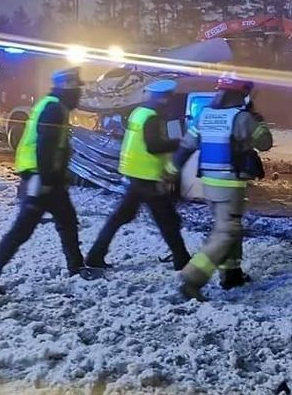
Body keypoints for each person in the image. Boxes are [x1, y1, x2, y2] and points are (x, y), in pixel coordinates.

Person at [0, 67, 90, 296]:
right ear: (68, 90)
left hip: (46, 179)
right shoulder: (54, 109)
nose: (79, 95)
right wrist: (44, 181)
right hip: (41, 179)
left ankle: (76, 266)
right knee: (21, 231)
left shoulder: (54, 105)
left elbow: (55, 146)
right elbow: (45, 146)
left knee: (67, 221)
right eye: (77, 91)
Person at [172, 74, 273, 302]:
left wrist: (172, 169)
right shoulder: (242, 118)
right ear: (240, 94)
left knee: (227, 228)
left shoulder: (204, 115)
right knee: (227, 232)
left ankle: (231, 274)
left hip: (208, 183)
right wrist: (257, 118)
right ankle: (192, 278)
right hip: (230, 184)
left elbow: (187, 146)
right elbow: (265, 142)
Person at [85, 78, 190, 271]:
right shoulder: (152, 118)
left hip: (135, 174)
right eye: (168, 98)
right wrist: (179, 143)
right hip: (148, 178)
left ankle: (95, 255)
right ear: (163, 99)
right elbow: (153, 146)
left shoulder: (138, 113)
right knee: (167, 220)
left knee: (122, 218)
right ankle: (182, 260)